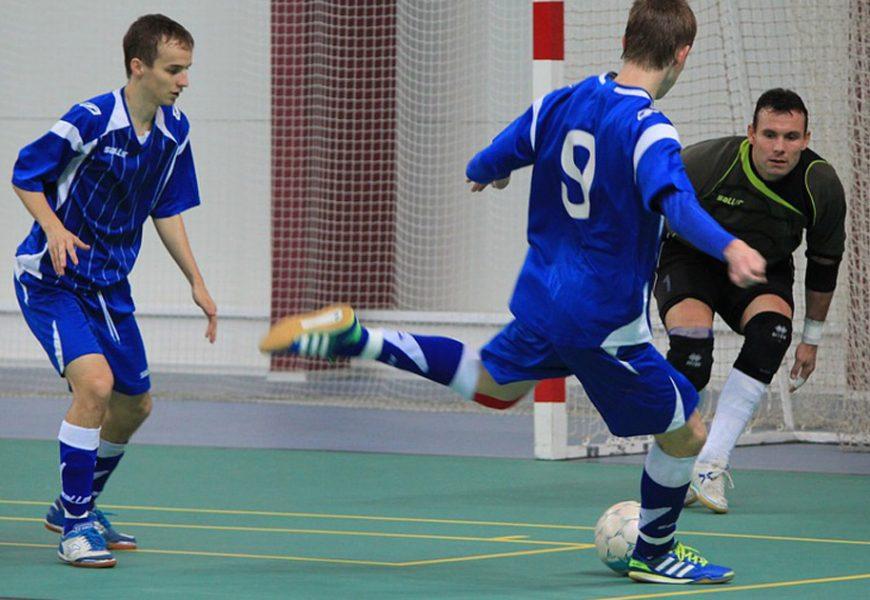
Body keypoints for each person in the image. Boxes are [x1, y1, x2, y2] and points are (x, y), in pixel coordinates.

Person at [260, 0, 764, 584]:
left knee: (495, 387)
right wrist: (729, 246)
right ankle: (654, 552)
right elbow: (674, 200)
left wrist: (488, 169)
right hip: (599, 319)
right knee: (686, 430)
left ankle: (361, 338)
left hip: (543, 296)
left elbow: (493, 153)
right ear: (682, 55)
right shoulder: (649, 127)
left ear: (626, 38)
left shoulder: (562, 101)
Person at [11, 14, 217, 567]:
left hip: (108, 285)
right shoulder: (92, 118)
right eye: (175, 70)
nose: (184, 81)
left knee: (135, 406)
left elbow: (166, 208)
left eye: (187, 70)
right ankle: (75, 529)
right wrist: (53, 228)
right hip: (52, 281)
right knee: (96, 387)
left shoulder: (175, 133)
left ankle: (73, 505)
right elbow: (25, 172)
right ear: (138, 66)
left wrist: (196, 280)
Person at [654, 88, 846, 514]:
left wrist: (811, 338)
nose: (780, 147)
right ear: (751, 134)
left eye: (792, 137)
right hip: (691, 257)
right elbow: (649, 204)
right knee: (691, 354)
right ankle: (675, 462)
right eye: (770, 134)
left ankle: (711, 464)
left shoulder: (821, 185)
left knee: (772, 333)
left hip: (762, 268)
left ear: (806, 138)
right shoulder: (708, 162)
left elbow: (824, 262)